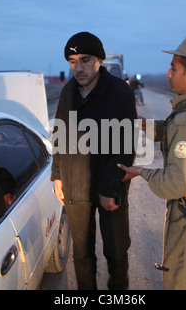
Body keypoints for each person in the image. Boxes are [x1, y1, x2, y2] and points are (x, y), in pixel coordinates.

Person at [118, 37, 186, 289]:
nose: (168, 74)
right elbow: (173, 130)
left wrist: (140, 172)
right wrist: (145, 125)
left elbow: (177, 184)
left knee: (183, 281)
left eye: (173, 68)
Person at [51, 32, 137, 290]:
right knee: (82, 254)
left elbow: (125, 144)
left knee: (117, 252)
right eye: (72, 61)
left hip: (109, 184)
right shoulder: (68, 92)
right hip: (76, 184)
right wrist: (57, 175)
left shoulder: (119, 91)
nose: (78, 67)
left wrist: (110, 188)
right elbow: (60, 134)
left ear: (99, 60)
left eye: (85, 60)